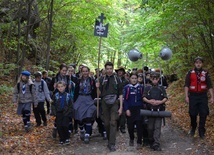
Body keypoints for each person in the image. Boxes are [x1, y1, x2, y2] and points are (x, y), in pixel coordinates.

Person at [96, 61, 123, 152]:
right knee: (106, 123)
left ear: (112, 69)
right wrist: (97, 87)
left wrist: (121, 107)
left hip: (114, 102)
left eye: (110, 69)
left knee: (113, 122)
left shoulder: (117, 79)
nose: (109, 71)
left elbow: (120, 94)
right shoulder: (101, 79)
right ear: (105, 69)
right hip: (104, 102)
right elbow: (98, 94)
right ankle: (109, 138)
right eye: (107, 69)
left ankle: (112, 143)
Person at [184, 56, 214, 138]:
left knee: (203, 113)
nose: (198, 64)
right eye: (197, 63)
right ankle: (193, 127)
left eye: (200, 63)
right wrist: (186, 96)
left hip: (203, 96)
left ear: (202, 64)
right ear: (194, 64)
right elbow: (186, 85)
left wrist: (212, 97)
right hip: (193, 96)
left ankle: (201, 130)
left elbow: (210, 86)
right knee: (192, 113)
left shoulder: (206, 73)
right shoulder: (190, 73)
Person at [143, 72, 168, 151]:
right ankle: (151, 140)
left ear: (158, 79)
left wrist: (160, 102)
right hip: (150, 111)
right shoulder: (147, 88)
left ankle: (156, 143)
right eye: (153, 79)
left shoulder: (161, 88)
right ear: (150, 79)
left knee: (157, 127)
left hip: (159, 110)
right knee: (150, 128)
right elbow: (143, 97)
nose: (154, 80)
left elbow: (165, 97)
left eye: (156, 79)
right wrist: (150, 101)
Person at [73, 66, 97, 144]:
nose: (85, 73)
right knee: (79, 118)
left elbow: (95, 91)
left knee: (88, 117)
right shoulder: (78, 80)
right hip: (80, 99)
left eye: (86, 71)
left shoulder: (92, 80)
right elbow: (76, 91)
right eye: (83, 71)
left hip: (89, 99)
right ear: (81, 72)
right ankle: (82, 130)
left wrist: (97, 88)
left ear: (89, 72)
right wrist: (74, 101)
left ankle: (87, 135)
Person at [123, 72, 144, 150]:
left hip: (139, 108)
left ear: (137, 79)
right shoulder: (127, 88)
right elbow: (125, 99)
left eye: (135, 78)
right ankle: (131, 138)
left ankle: (139, 142)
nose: (134, 80)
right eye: (132, 78)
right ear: (129, 79)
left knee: (139, 126)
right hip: (130, 109)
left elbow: (143, 98)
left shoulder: (141, 87)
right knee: (130, 126)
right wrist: (127, 109)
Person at [51, 81, 73, 145]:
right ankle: (61, 138)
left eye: (62, 86)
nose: (60, 88)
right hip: (58, 113)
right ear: (57, 88)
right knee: (59, 126)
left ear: (65, 87)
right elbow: (53, 104)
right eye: (59, 87)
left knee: (65, 125)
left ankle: (67, 138)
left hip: (66, 113)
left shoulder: (68, 96)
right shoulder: (56, 95)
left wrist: (69, 112)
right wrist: (54, 112)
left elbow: (71, 105)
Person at [115, 66, 129, 134]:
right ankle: (116, 126)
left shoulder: (126, 81)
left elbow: (127, 90)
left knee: (123, 113)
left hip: (123, 98)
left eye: (121, 71)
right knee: (116, 112)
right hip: (115, 98)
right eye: (118, 71)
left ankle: (122, 127)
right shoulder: (114, 79)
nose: (120, 72)